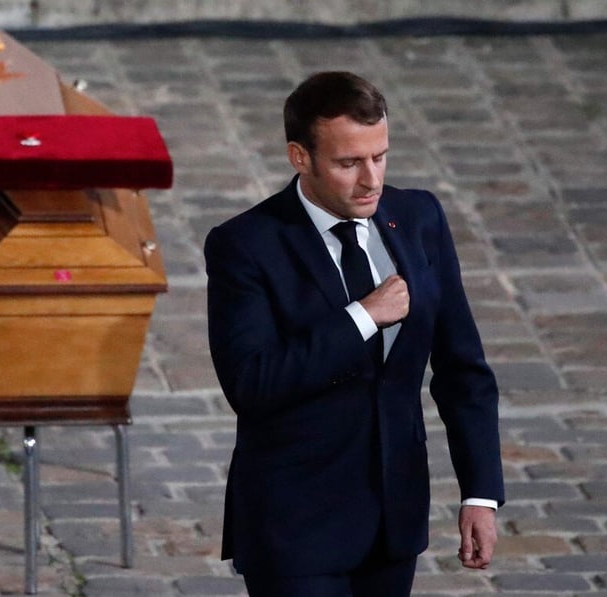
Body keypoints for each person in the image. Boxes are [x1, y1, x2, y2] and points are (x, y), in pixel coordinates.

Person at [204, 71, 505, 596]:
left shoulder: (419, 218)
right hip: (296, 528)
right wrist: (363, 316)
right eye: (349, 164)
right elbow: (251, 383)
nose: (371, 180)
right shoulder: (246, 245)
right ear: (301, 157)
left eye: (380, 157)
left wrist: (480, 492)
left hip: (394, 522)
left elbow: (463, 371)